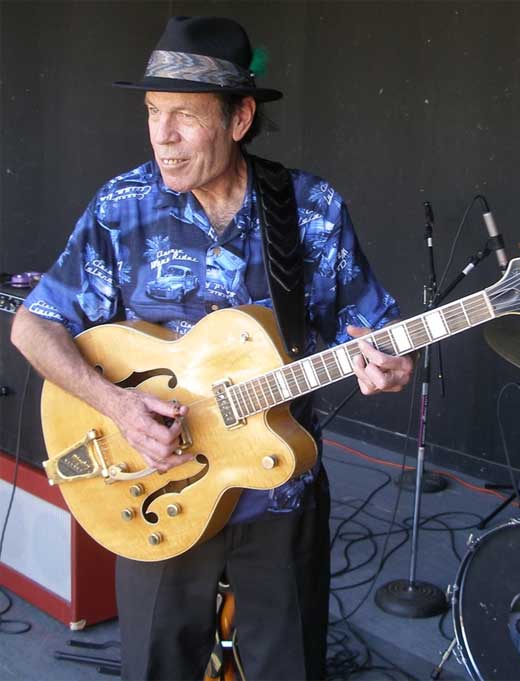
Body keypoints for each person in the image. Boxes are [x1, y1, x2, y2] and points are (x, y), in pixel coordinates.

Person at [11, 16, 413, 681]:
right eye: (152, 112)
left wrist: (392, 361)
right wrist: (117, 405)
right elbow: (33, 324)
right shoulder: (123, 207)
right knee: (155, 667)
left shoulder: (311, 208)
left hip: (278, 492)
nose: (161, 137)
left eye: (185, 116)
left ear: (240, 117)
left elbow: (375, 329)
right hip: (154, 486)